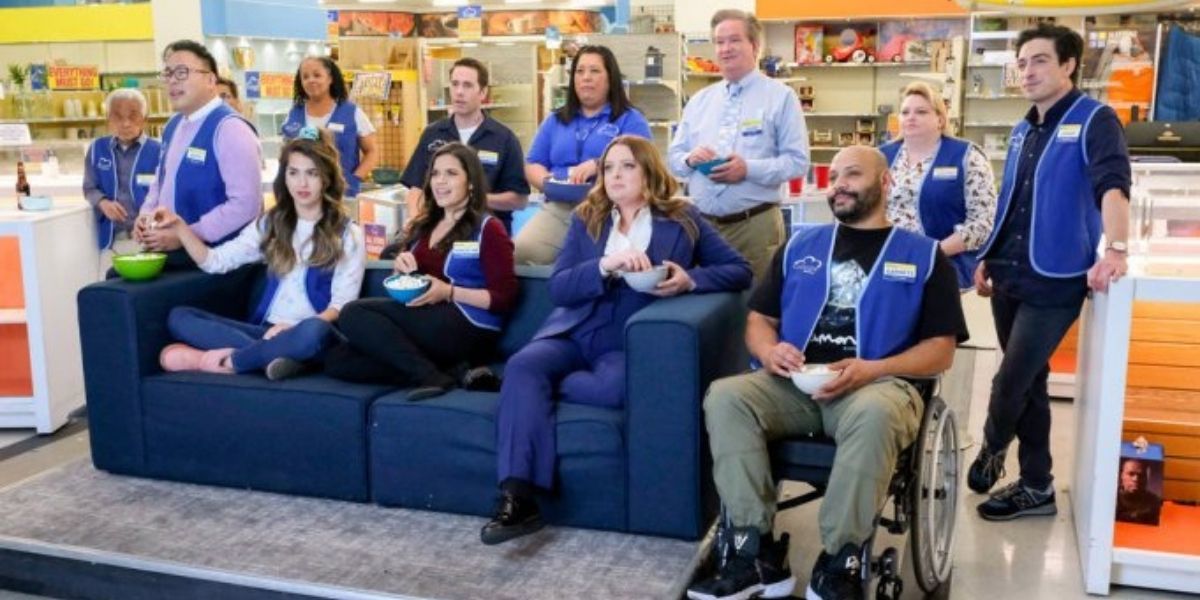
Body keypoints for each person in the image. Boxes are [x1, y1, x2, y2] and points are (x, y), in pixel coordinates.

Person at [687, 146, 966, 600]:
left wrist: (873, 368)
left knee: (875, 414)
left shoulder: (925, 257)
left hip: (877, 387)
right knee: (725, 396)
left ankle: (841, 562)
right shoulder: (799, 246)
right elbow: (760, 319)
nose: (839, 184)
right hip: (794, 385)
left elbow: (941, 350)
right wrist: (770, 350)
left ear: (885, 183)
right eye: (834, 175)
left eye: (852, 174)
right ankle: (751, 554)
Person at [481, 135, 752, 546]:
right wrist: (604, 265)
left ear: (649, 172)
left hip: (629, 338)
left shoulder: (683, 218)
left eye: (627, 166)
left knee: (610, 388)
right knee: (524, 365)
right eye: (608, 168)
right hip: (576, 329)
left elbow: (739, 270)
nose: (615, 175)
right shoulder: (586, 217)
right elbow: (560, 289)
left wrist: (690, 279)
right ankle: (518, 497)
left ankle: (524, 393)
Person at [969, 23, 1132, 522]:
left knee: (1011, 379)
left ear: (1068, 65)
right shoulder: (1023, 128)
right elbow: (1010, 199)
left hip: (1056, 278)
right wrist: (987, 254)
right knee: (1032, 382)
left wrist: (1117, 248)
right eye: (1021, 63)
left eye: (1039, 60)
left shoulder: (1095, 119)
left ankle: (992, 447)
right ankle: (1037, 485)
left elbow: (1113, 184)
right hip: (1009, 274)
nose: (1028, 71)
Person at [156, 126, 365, 380]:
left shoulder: (348, 233)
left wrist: (292, 329)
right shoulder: (270, 224)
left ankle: (231, 360)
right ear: (284, 177)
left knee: (313, 331)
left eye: (312, 174)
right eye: (293, 173)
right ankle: (275, 358)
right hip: (265, 332)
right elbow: (216, 261)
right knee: (180, 317)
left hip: (312, 333)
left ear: (327, 178)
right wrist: (180, 227)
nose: (302, 183)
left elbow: (341, 306)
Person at [324, 142, 517, 399]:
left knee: (353, 312)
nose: (440, 181)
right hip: (427, 320)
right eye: (435, 173)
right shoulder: (425, 225)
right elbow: (412, 280)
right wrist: (400, 268)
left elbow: (504, 297)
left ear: (471, 182)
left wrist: (449, 292)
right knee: (338, 360)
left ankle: (431, 377)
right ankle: (449, 371)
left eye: (451, 173)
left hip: (468, 325)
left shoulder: (488, 228)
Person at [669, 9, 810, 281]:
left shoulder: (781, 97)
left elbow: (797, 162)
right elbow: (674, 158)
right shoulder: (700, 101)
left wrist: (748, 169)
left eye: (734, 40)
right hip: (702, 229)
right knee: (706, 312)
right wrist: (689, 159)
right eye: (719, 42)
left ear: (754, 46)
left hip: (754, 228)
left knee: (755, 310)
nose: (725, 49)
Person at [514, 45, 652, 265]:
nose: (586, 77)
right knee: (521, 252)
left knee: (596, 265)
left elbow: (645, 164)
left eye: (595, 71)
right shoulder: (555, 120)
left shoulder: (630, 119)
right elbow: (533, 163)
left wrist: (601, 165)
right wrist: (549, 183)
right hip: (559, 208)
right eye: (580, 71)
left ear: (610, 78)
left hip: (610, 210)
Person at [135, 39, 263, 264]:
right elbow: (161, 181)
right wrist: (146, 217)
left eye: (182, 72)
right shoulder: (174, 125)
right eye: (168, 73)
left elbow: (245, 204)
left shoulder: (230, 128)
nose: (172, 81)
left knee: (118, 293)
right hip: (174, 252)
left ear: (210, 79)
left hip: (217, 258)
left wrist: (186, 235)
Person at [879, 82, 996, 289]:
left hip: (946, 267)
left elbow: (982, 224)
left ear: (940, 119)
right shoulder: (881, 156)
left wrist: (930, 254)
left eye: (921, 112)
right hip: (888, 267)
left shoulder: (967, 156)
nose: (911, 117)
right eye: (905, 112)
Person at [401, 58, 528, 233]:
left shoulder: (504, 139)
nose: (459, 92)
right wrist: (415, 221)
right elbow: (416, 188)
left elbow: (519, 200)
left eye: (468, 85)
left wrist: (475, 199)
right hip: (438, 231)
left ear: (483, 93)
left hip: (485, 234)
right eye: (455, 84)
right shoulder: (433, 134)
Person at [82, 88, 162, 272]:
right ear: (108, 119)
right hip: (111, 240)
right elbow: (89, 187)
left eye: (133, 116)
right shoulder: (97, 149)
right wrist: (102, 203)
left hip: (148, 241)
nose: (125, 123)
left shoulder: (159, 151)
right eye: (117, 116)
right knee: (109, 291)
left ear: (144, 118)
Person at [1115, 457, 1162, 525]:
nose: (1136, 479)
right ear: (1121, 476)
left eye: (1141, 475)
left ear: (1146, 478)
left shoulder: (1154, 503)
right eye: (1131, 474)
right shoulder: (1109, 499)